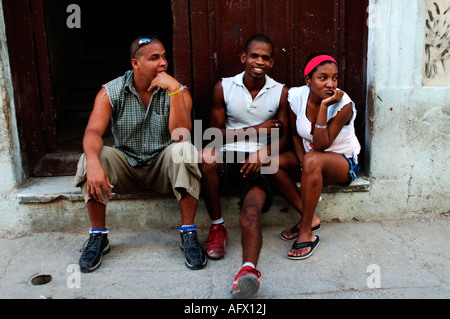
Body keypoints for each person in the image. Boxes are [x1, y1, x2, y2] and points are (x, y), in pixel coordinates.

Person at [73, 34, 207, 273]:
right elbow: (93, 130)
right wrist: (93, 161)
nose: (163, 63)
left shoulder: (179, 91)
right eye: (154, 58)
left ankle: (188, 233)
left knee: (185, 150)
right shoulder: (111, 91)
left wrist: (174, 91)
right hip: (126, 165)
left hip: (162, 169)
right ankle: (99, 236)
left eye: (164, 57)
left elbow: (180, 135)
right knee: (90, 157)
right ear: (135, 64)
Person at [199, 34, 290, 298]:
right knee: (206, 156)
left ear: (271, 62)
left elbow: (284, 136)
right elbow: (214, 135)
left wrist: (265, 153)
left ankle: (248, 271)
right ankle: (217, 226)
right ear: (244, 58)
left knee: (251, 214)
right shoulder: (224, 87)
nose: (258, 62)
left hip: (258, 163)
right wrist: (257, 129)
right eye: (254, 56)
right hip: (228, 157)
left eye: (264, 57)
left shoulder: (280, 92)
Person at [280, 53, 361, 260]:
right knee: (270, 164)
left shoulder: (343, 105)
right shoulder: (296, 96)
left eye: (334, 78)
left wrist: (325, 106)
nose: (330, 84)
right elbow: (294, 135)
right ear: (308, 80)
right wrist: (301, 162)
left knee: (313, 159)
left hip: (343, 162)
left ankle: (306, 231)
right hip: (310, 159)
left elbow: (322, 144)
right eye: (323, 77)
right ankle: (311, 218)